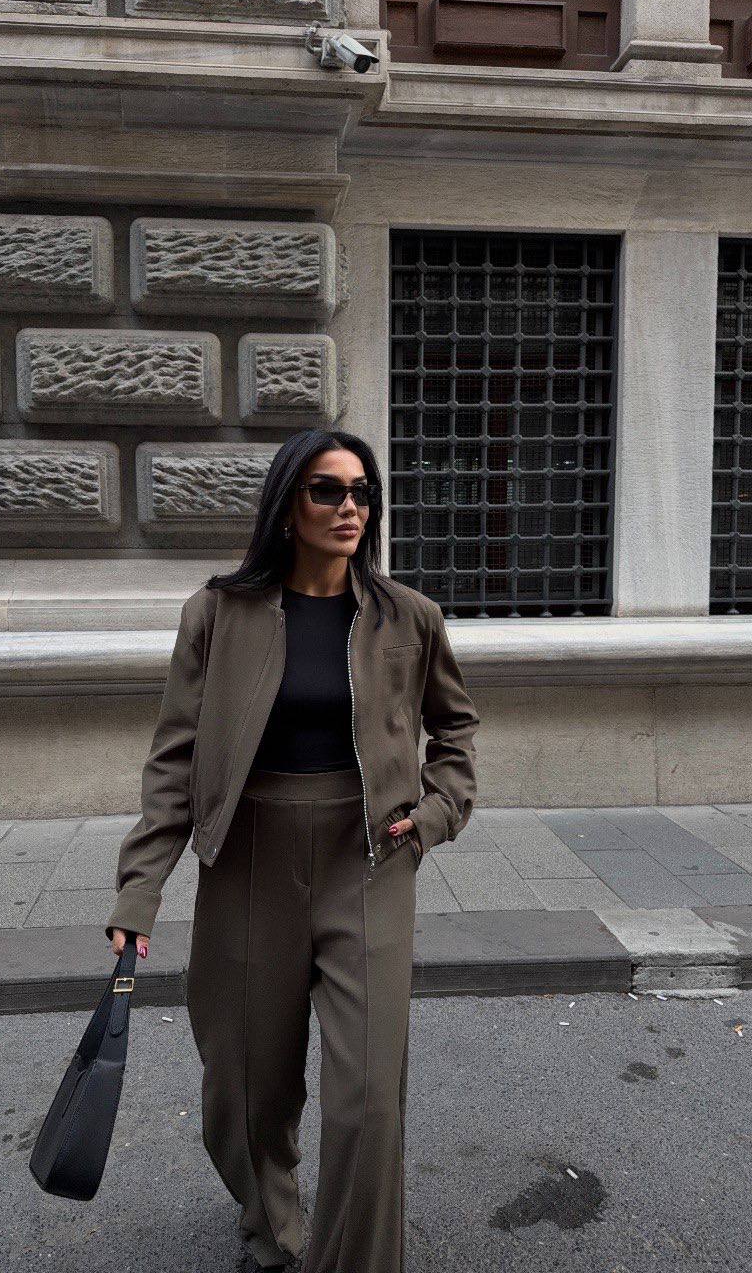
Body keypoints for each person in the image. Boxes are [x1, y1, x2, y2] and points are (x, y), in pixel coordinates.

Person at [107, 427, 479, 1272]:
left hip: (370, 857)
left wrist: (434, 813)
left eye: (362, 492)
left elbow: (456, 731)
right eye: (327, 490)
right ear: (286, 507)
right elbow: (174, 759)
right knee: (244, 1089)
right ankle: (274, 1226)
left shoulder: (408, 618)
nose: (351, 507)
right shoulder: (217, 614)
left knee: (369, 1100)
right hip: (248, 858)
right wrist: (140, 891)